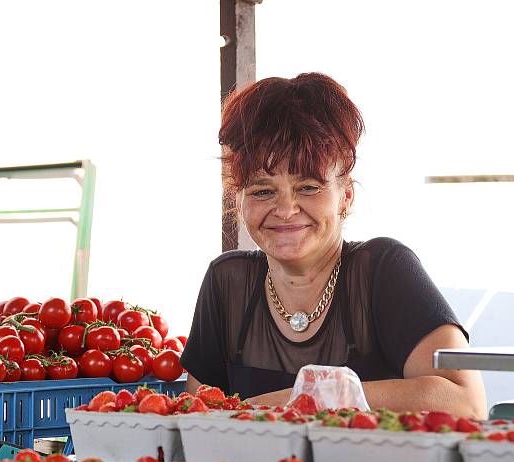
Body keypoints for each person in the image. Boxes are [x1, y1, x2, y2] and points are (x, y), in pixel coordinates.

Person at [181, 72, 486, 419]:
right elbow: (198, 421)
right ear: (239, 200)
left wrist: (303, 397)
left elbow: (466, 401)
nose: (285, 210)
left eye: (308, 187)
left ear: (346, 195)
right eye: (262, 191)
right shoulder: (227, 281)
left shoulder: (384, 269)